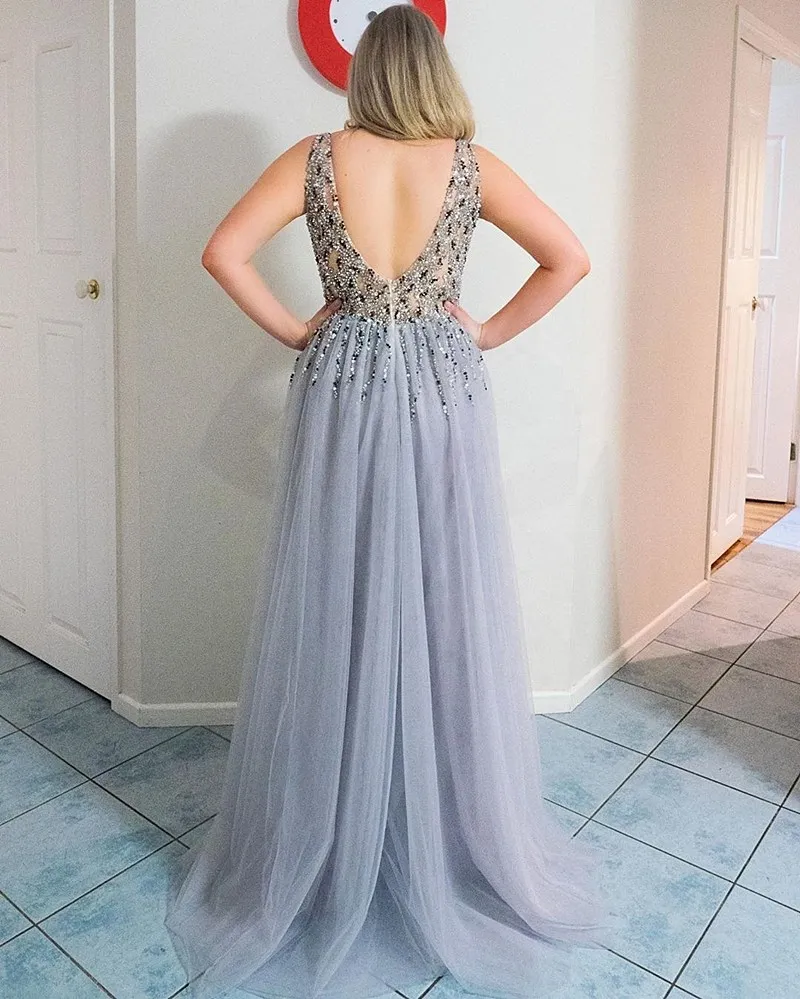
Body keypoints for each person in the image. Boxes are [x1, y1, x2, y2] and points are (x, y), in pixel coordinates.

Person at [164, 6, 611, 999]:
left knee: (342, 588)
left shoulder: (316, 157)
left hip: (342, 388)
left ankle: (337, 826)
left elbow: (222, 251)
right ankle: (437, 825)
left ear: (365, 71)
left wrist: (299, 331)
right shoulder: (472, 165)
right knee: (443, 595)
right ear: (434, 71)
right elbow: (569, 257)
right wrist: (483, 333)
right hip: (443, 391)